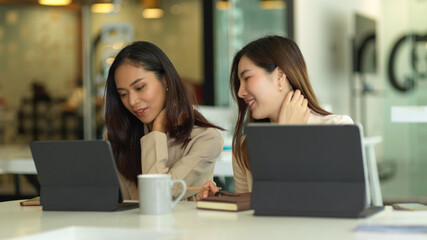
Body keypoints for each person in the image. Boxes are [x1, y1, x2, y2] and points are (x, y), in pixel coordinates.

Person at [199, 35, 353, 198]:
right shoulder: (246, 145)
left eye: (247, 78)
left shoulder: (337, 128)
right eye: (239, 82)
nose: (240, 92)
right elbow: (253, 209)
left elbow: (335, 200)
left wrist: (287, 134)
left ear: (280, 76)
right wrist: (222, 198)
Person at [104, 41, 224, 200]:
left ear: (166, 81)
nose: (132, 101)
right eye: (123, 94)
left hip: (184, 225)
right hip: (131, 225)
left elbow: (157, 195)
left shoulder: (206, 138)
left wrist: (158, 130)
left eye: (140, 87)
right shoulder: (118, 137)